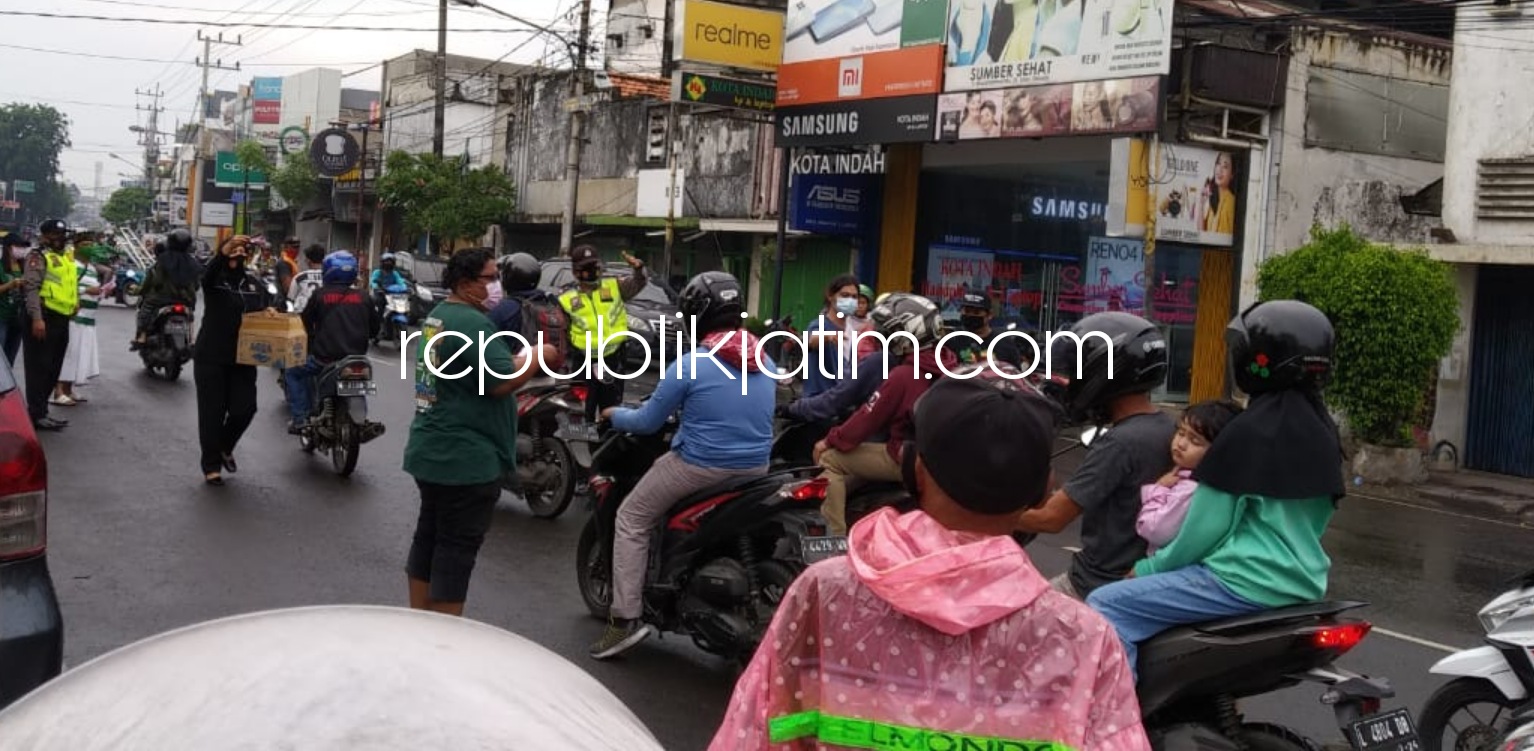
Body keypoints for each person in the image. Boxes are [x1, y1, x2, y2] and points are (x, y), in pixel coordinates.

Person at [709, 375, 1150, 751]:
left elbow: (755, 728)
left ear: (915, 471)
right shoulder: (1084, 639)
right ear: (1041, 490)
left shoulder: (824, 592)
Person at [1087, 300, 1344, 678]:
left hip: (1241, 581)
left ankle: (1119, 725)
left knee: (1104, 604)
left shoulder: (1247, 433)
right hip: (1303, 583)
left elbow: (1203, 531)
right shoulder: (1324, 434)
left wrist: (1147, 568)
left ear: (1260, 360)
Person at [589, 271, 775, 660]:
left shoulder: (692, 363)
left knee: (631, 517)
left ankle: (623, 620)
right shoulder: (764, 357)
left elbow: (647, 422)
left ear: (696, 315)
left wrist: (612, 413)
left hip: (700, 466)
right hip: (757, 469)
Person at [403, 248, 556, 617]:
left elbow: (488, 365)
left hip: (431, 448)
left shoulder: (440, 316)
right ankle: (442, 640)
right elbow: (500, 380)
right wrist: (541, 355)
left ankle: (418, 624)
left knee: (429, 539)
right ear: (465, 283)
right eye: (489, 278)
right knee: (455, 550)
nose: (496, 286)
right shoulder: (473, 324)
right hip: (465, 458)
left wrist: (527, 353)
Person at [1014, 311, 1177, 600]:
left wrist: (982, 516)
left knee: (1012, 622)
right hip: (1144, 582)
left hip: (1095, 585)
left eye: (1077, 370)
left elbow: (1049, 519)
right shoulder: (1172, 429)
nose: (1071, 379)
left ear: (1103, 372)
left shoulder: (1119, 443)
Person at [814, 293, 955, 535]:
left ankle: (834, 542)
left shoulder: (904, 374)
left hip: (906, 457)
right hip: (941, 460)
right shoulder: (951, 365)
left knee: (831, 459)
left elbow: (866, 420)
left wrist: (829, 440)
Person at [194, 235, 277, 485]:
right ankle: (211, 465)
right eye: (233, 248)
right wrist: (224, 251)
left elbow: (266, 305)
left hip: (243, 357)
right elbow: (206, 276)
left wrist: (270, 311)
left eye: (243, 250)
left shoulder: (252, 283)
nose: (238, 252)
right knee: (212, 413)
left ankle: (224, 446)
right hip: (212, 356)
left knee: (245, 408)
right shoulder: (215, 281)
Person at [284, 250, 381, 433]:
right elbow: (376, 329)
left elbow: (304, 323)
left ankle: (300, 418)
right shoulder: (364, 296)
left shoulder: (320, 295)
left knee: (293, 372)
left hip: (324, 359)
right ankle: (362, 420)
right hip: (357, 360)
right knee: (359, 380)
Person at [1136, 400, 1242, 554]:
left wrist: (1157, 489)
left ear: (1218, 451)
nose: (1181, 444)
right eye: (1181, 433)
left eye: (1195, 441)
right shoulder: (1198, 479)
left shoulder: (1189, 489)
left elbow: (1153, 530)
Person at [557, 245, 647, 421]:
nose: (592, 272)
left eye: (594, 266)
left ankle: (608, 446)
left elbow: (638, 283)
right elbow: (562, 333)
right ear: (576, 272)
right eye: (586, 268)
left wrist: (638, 269)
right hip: (583, 363)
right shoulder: (566, 297)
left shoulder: (614, 286)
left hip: (613, 360)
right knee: (583, 413)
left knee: (612, 412)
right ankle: (586, 445)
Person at [21, 219, 78, 431]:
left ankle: (42, 411)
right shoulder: (37, 256)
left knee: (53, 368)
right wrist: (37, 318)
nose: (60, 238)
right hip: (43, 318)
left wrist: (75, 301)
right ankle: (36, 414)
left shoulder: (64, 257)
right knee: (39, 368)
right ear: (45, 236)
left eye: (62, 234)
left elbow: (68, 284)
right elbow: (31, 289)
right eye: (55, 235)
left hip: (61, 318)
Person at [489, 252, 569, 369]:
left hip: (519, 376)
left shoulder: (504, 308)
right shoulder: (551, 301)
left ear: (507, 278)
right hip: (556, 375)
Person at [53, 252, 109, 406]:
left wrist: (101, 291)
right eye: (85, 244)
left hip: (88, 318)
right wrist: (85, 291)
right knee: (67, 354)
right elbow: (63, 286)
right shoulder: (70, 264)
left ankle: (68, 390)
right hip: (74, 316)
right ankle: (57, 392)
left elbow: (93, 287)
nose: (90, 247)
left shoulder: (90, 267)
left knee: (78, 355)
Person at [132, 229, 201, 349]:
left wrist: (144, 290)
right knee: (189, 315)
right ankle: (192, 339)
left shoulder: (163, 260)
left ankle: (142, 336)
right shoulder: (193, 263)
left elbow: (156, 281)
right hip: (186, 300)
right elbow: (196, 285)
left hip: (161, 299)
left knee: (146, 309)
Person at [800, 274, 862, 399]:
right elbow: (812, 340)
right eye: (844, 295)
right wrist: (827, 337)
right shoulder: (819, 325)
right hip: (818, 403)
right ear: (830, 296)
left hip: (841, 403)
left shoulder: (852, 330)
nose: (850, 300)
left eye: (854, 297)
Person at [953, 291, 1026, 369]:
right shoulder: (953, 339)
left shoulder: (1004, 344)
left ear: (989, 315)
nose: (971, 315)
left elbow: (1014, 375)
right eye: (967, 311)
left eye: (976, 312)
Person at [0, 233, 30, 366]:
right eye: (17, 246)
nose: (21, 249)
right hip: (2, 317)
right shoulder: (1, 266)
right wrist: (10, 284)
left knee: (10, 358)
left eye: (23, 247)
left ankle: (7, 386)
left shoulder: (24, 267)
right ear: (7, 248)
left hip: (18, 318)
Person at [286, 243, 326, 313]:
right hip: (323, 315)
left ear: (308, 260)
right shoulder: (329, 277)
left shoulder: (299, 278)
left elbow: (290, 299)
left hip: (302, 316)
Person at [275, 237, 301, 303]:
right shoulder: (284, 263)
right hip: (284, 302)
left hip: (290, 299)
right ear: (286, 248)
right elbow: (288, 288)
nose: (297, 250)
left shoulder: (292, 261)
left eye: (298, 247)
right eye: (294, 247)